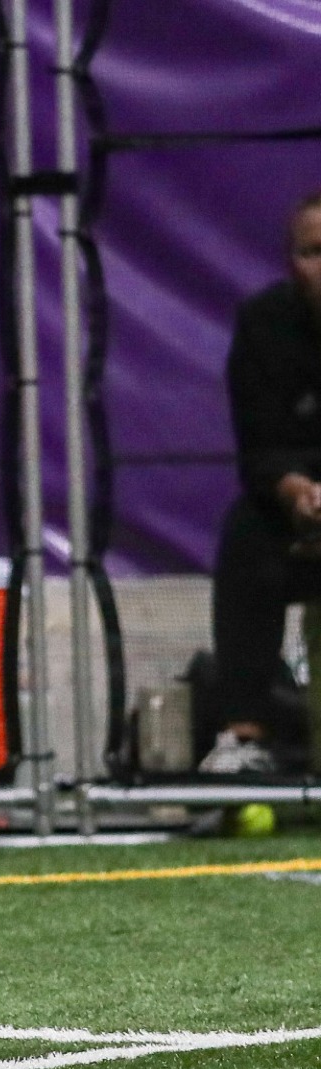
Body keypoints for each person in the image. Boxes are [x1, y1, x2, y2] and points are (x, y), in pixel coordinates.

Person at [203, 190, 321, 775]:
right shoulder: (264, 324)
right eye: (313, 252)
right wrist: (297, 491)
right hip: (300, 513)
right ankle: (243, 737)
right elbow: (260, 449)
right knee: (248, 533)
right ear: (290, 260)